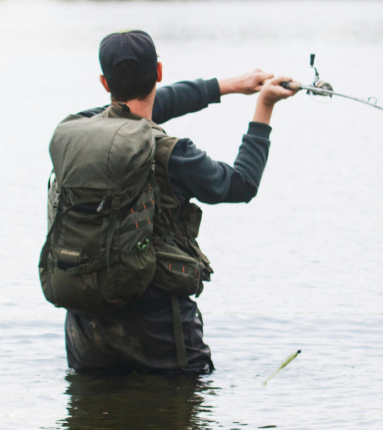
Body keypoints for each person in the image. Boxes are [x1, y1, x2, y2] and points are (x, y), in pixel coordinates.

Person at [63, 29, 296, 373]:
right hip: (158, 324)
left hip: (86, 324)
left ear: (104, 82)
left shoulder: (76, 131)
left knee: (94, 402)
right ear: (158, 72)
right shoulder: (174, 154)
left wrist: (228, 85)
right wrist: (264, 105)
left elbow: (136, 110)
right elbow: (242, 184)